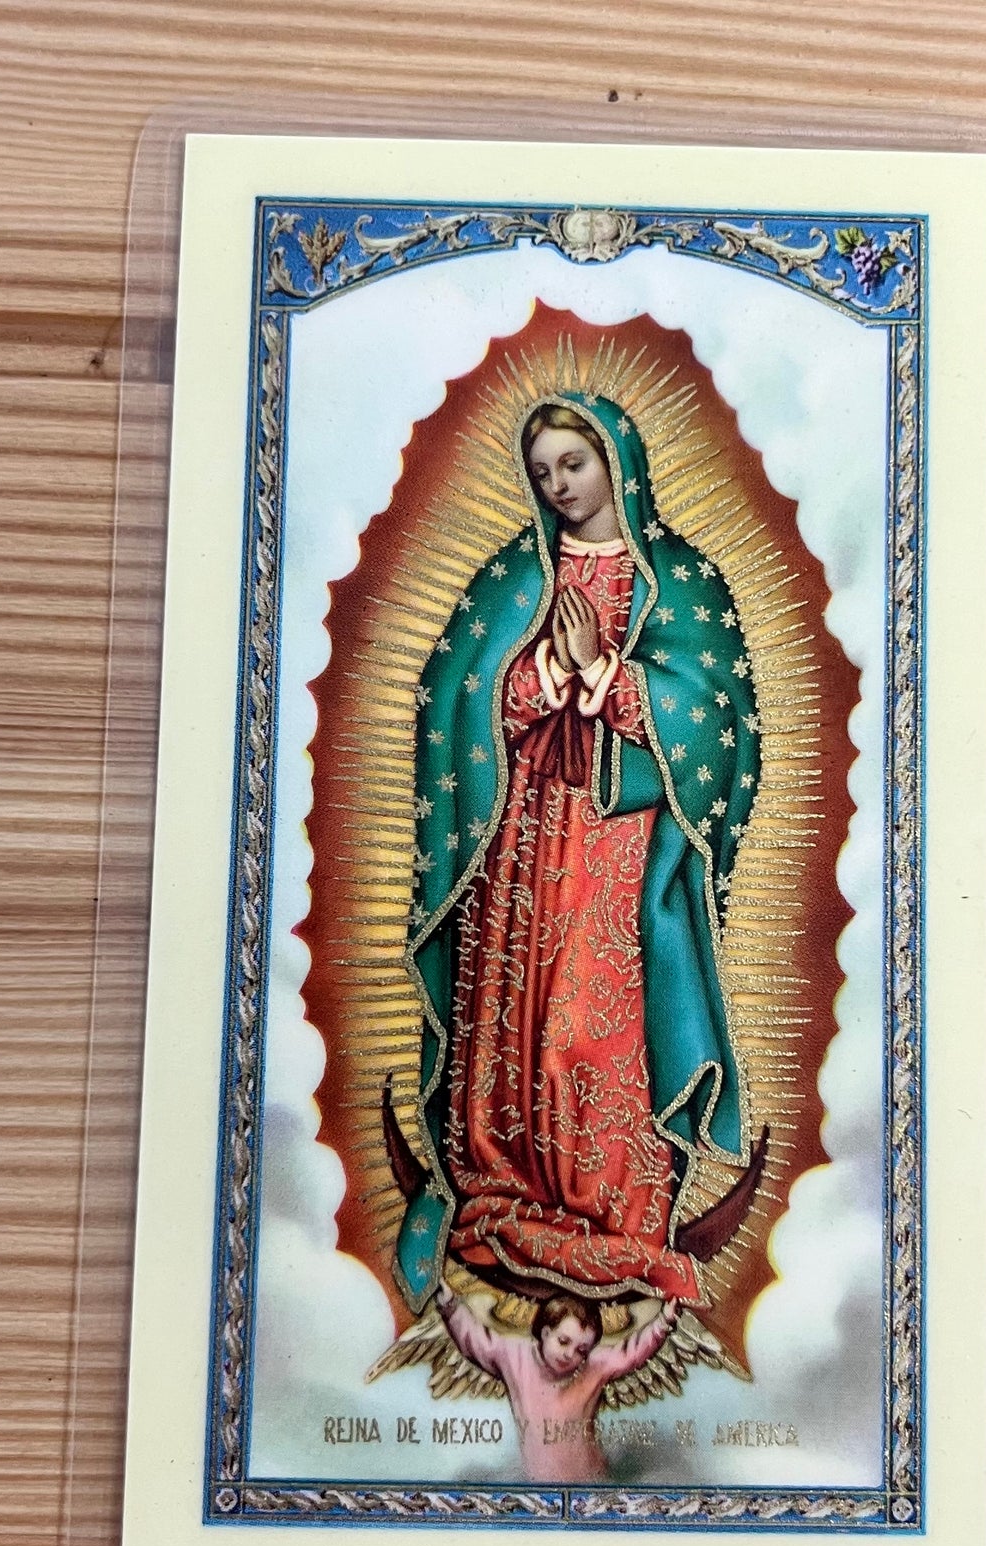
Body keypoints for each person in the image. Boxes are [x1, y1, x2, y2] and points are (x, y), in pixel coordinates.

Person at [391, 391, 763, 1316]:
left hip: (617, 840)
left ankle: (613, 1208)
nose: (559, 485)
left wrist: (606, 672)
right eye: (543, 471)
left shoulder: (681, 581)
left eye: (574, 463)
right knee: (514, 1007)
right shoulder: (514, 577)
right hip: (519, 835)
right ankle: (503, 1186)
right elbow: (456, 692)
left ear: (616, 461)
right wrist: (545, 671)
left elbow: (713, 713)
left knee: (596, 1015)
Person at [435, 1279, 678, 1482]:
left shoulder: (594, 1367)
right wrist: (450, 1306)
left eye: (581, 1350)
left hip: (591, 1484)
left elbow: (631, 1353)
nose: (570, 1354)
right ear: (545, 1332)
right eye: (563, 1341)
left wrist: (663, 1322)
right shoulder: (515, 1355)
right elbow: (476, 1341)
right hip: (540, 1489)